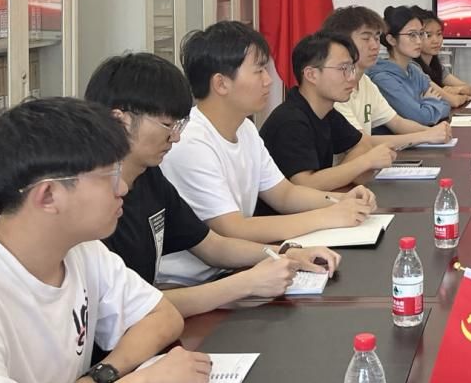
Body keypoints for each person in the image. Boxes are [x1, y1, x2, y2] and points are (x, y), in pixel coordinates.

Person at [0, 97, 211, 383]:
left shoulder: (81, 249)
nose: (123, 187)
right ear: (48, 196)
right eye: (109, 175)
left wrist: (98, 377)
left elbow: (161, 315)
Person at [85, 52, 341, 316]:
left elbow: (212, 245)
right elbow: (132, 306)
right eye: (167, 125)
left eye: (178, 125)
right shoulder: (90, 205)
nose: (175, 137)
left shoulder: (149, 176)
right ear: (121, 121)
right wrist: (244, 284)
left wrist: (285, 254)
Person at [158, 22, 376, 284]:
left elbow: (284, 194)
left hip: (236, 267)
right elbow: (232, 228)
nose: (268, 80)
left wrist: (340, 201)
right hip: (187, 283)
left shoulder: (245, 128)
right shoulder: (191, 142)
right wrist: (327, 216)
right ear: (221, 83)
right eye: (259, 70)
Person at [259, 31, 400, 190]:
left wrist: (340, 176)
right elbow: (305, 184)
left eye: (351, 68)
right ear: (311, 75)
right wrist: (365, 163)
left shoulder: (327, 112)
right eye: (343, 68)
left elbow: (362, 144)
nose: (351, 78)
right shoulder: (290, 121)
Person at [320, 5, 453, 147]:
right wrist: (425, 135)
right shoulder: (334, 88)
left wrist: (433, 132)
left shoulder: (365, 82)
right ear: (342, 43)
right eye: (366, 38)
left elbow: (397, 122)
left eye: (377, 38)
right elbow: (361, 142)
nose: (374, 46)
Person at [367, 5, 453, 126]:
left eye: (421, 34)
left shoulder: (414, 70)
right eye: (412, 35)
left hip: (425, 135)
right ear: (392, 40)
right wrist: (430, 101)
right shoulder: (383, 78)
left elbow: (446, 104)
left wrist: (424, 106)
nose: (419, 41)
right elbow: (421, 118)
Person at [415, 7, 471, 107]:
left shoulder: (435, 65)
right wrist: (464, 97)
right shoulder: (413, 67)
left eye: (439, 34)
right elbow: (454, 101)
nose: (436, 40)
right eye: (428, 35)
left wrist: (458, 89)